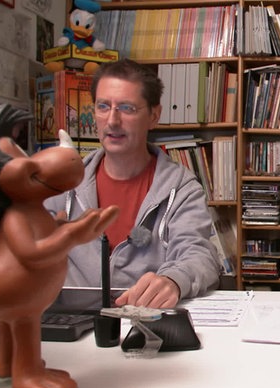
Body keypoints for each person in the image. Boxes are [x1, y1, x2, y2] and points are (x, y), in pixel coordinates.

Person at [45, 59, 222, 309]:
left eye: (127, 108)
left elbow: (199, 255)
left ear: (154, 116)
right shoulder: (62, 184)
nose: (112, 121)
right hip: (73, 325)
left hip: (143, 323)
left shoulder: (181, 188)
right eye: (103, 106)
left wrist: (173, 280)